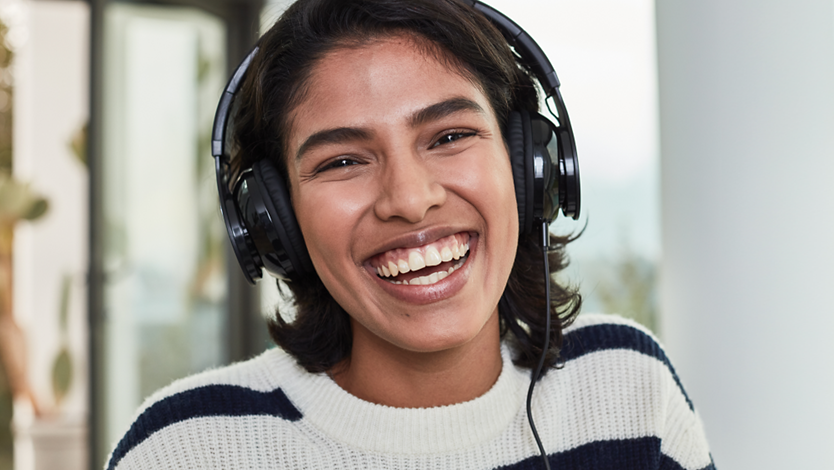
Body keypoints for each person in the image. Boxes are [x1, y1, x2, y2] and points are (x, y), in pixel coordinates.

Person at [105, 1, 715, 469]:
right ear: (274, 220)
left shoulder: (628, 389)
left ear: (528, 165)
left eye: (450, 136)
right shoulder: (183, 449)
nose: (410, 199)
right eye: (342, 161)